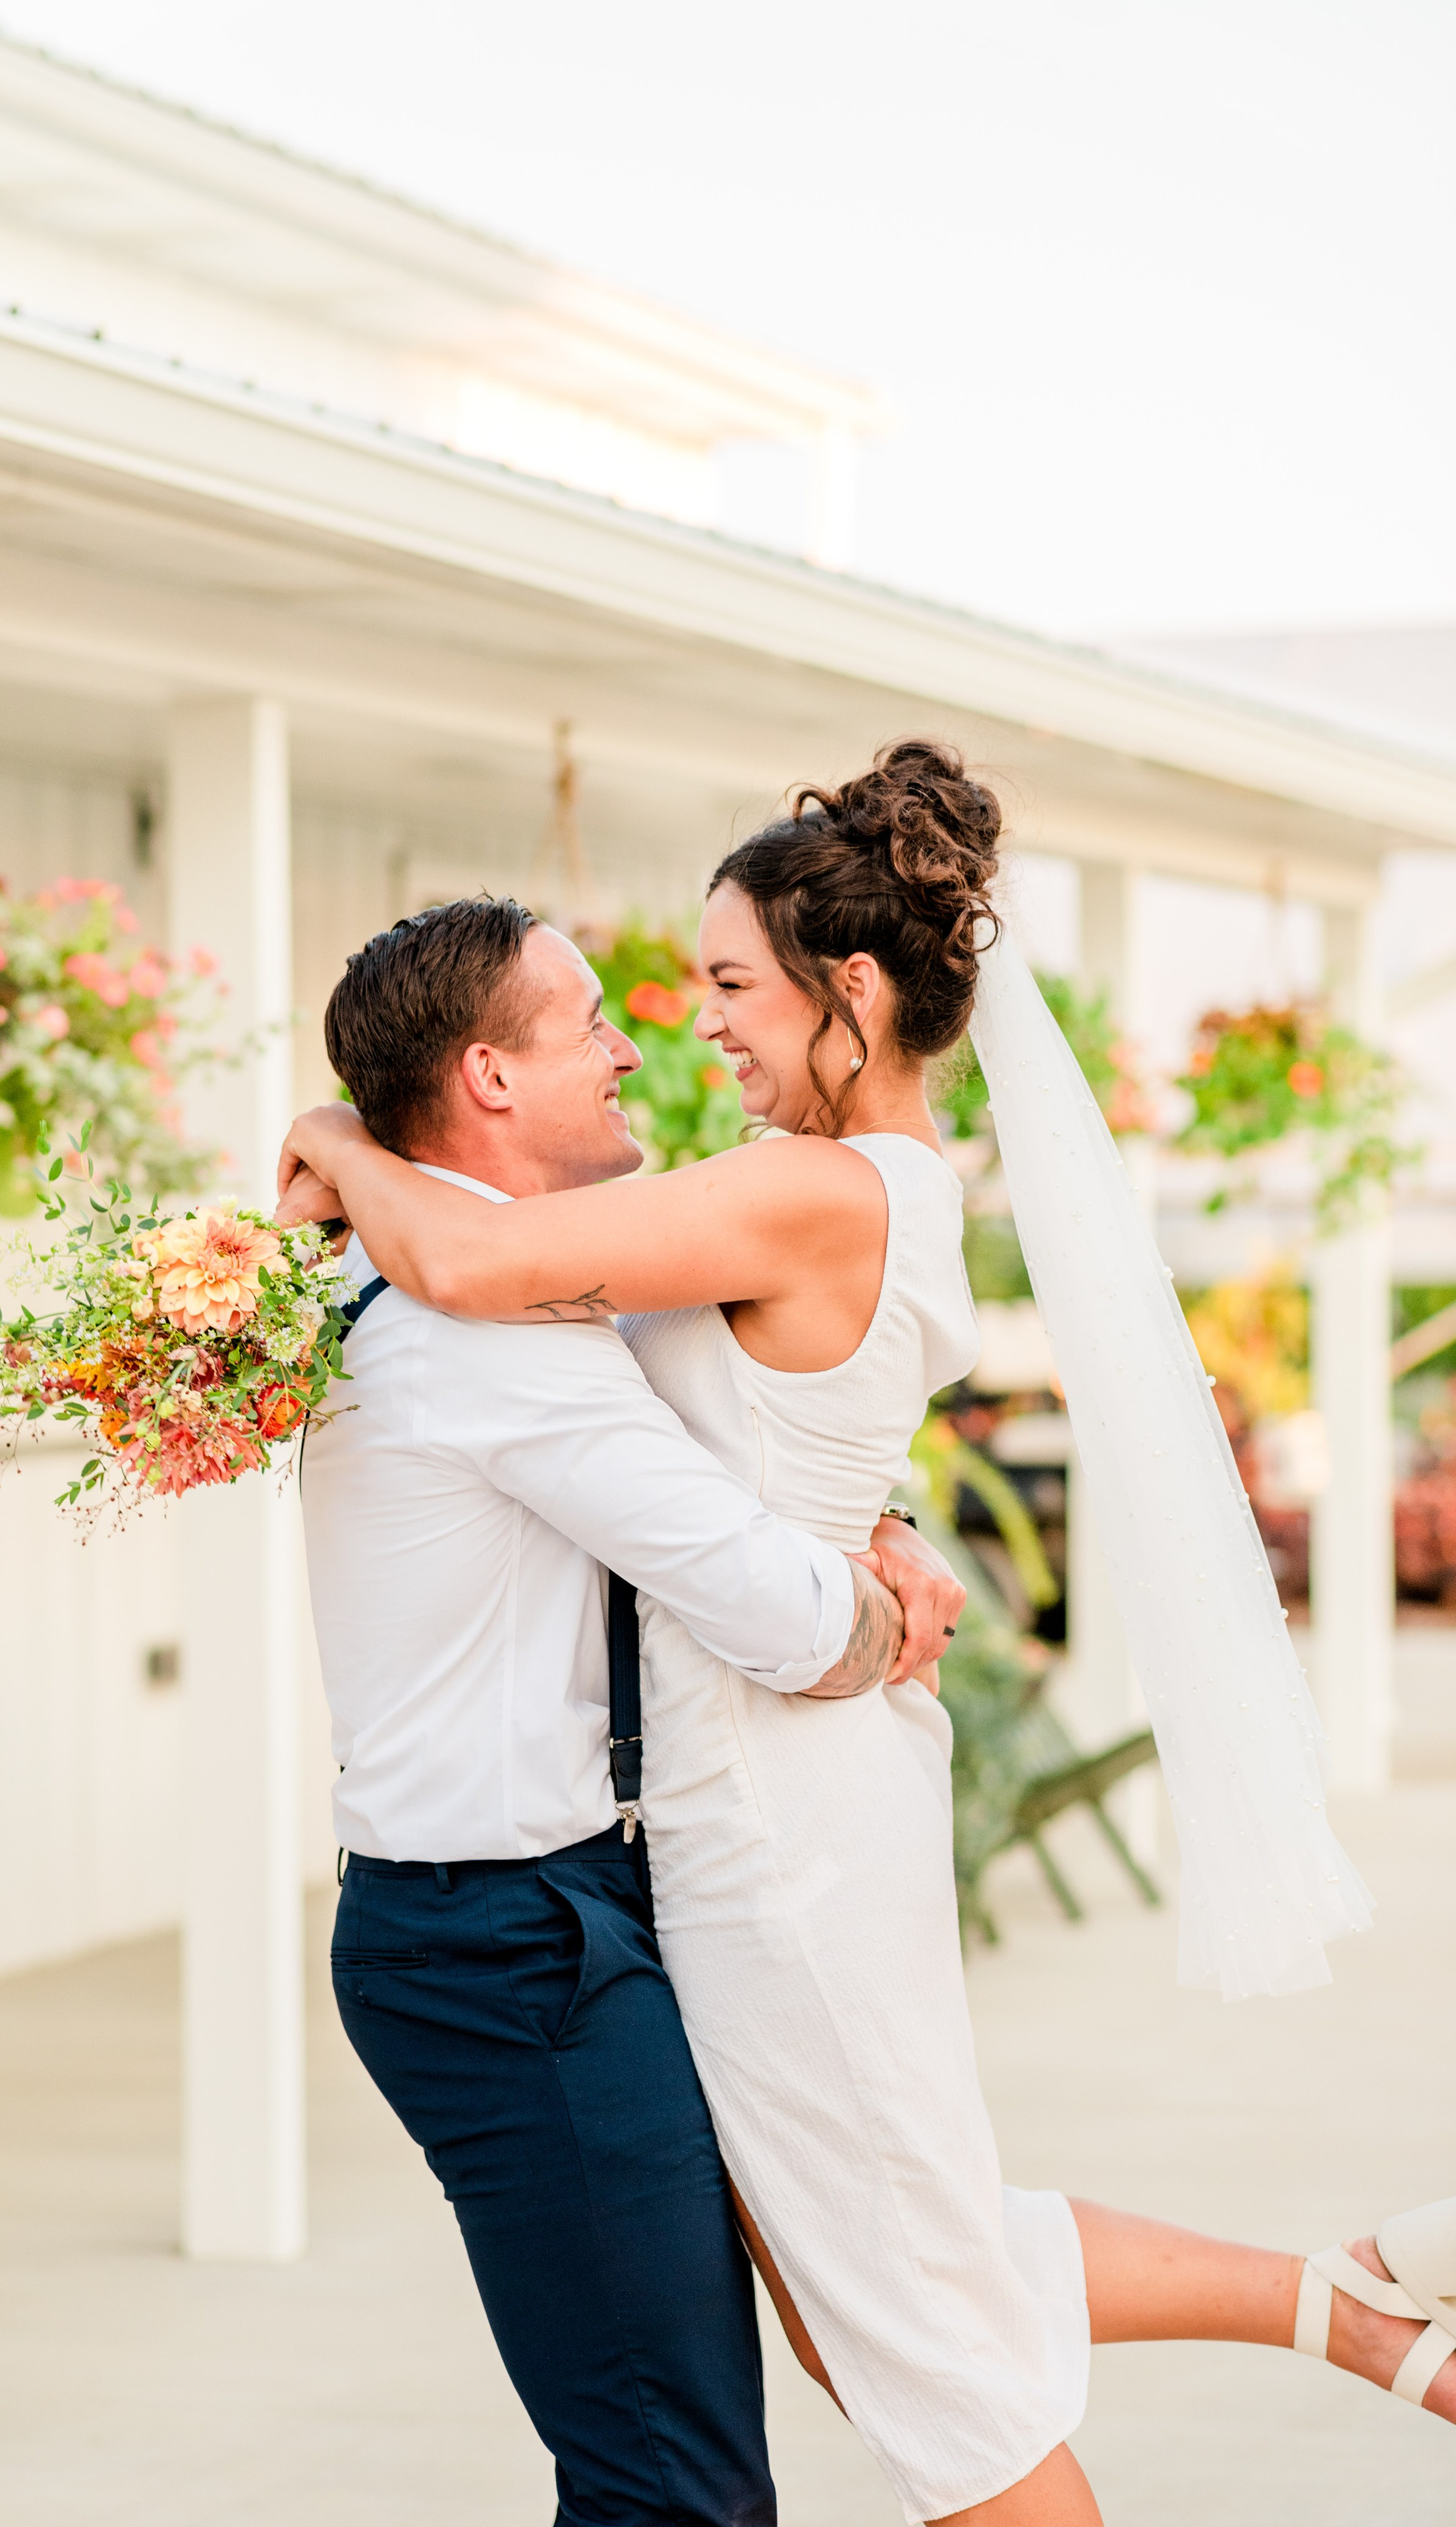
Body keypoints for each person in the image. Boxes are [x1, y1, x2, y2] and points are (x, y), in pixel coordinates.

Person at [279, 741, 1456, 2527]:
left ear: (851, 988)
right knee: (877, 2284)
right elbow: (683, 1389)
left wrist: (332, 1136)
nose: (695, 1029)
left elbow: (476, 1266)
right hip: (756, 1789)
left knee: (915, 2338)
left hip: (778, 1805)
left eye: (730, 984)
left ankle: (1342, 2301)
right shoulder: (821, 1182)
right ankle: (1342, 2299)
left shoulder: (817, 1189)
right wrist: (874, 1528)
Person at [291, 890, 951, 2527]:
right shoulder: (478, 1339)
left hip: (541, 1920)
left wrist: (880, 1511)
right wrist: (882, 1616)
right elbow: (788, 1623)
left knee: (686, 2445)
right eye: (588, 1021)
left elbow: (748, 1413)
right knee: (671, 2477)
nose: (634, 1044)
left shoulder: (494, 1284)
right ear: (489, 1080)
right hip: (512, 1948)